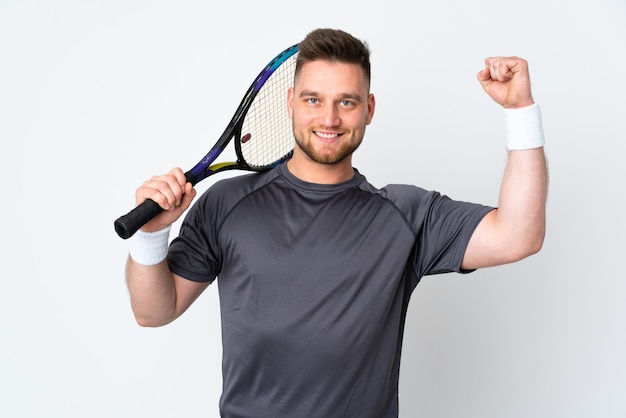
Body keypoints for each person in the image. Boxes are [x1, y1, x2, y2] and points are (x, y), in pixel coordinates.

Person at [124, 28, 548, 417]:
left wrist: (520, 110)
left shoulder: (406, 214)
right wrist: (151, 234)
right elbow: (153, 312)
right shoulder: (228, 204)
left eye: (346, 102)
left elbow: (518, 235)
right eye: (313, 100)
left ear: (369, 109)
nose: (329, 119)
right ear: (291, 103)